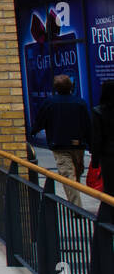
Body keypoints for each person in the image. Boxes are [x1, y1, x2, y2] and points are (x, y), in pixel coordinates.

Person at [30, 73, 91, 204]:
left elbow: (41, 120)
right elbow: (87, 124)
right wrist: (91, 143)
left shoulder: (50, 103)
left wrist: (33, 131)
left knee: (68, 175)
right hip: (78, 144)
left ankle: (76, 206)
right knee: (76, 172)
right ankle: (76, 205)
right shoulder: (80, 103)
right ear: (71, 87)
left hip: (59, 144)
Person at [90, 80, 114, 198]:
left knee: (109, 189)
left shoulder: (98, 111)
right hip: (107, 153)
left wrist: (95, 160)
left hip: (108, 155)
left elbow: (97, 138)